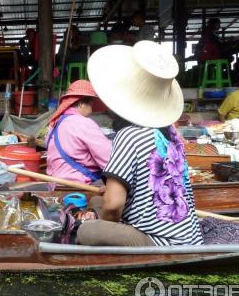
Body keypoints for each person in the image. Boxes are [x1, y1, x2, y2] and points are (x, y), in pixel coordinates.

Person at [72, 40, 204, 247]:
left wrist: (107, 226)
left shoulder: (129, 135)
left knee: (87, 230)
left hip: (160, 242)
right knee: (97, 201)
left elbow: (114, 206)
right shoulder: (170, 133)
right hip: (190, 236)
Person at [46, 80, 112, 185]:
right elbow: (108, 159)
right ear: (81, 104)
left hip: (55, 181)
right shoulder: (83, 123)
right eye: (91, 104)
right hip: (79, 183)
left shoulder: (55, 123)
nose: (92, 109)